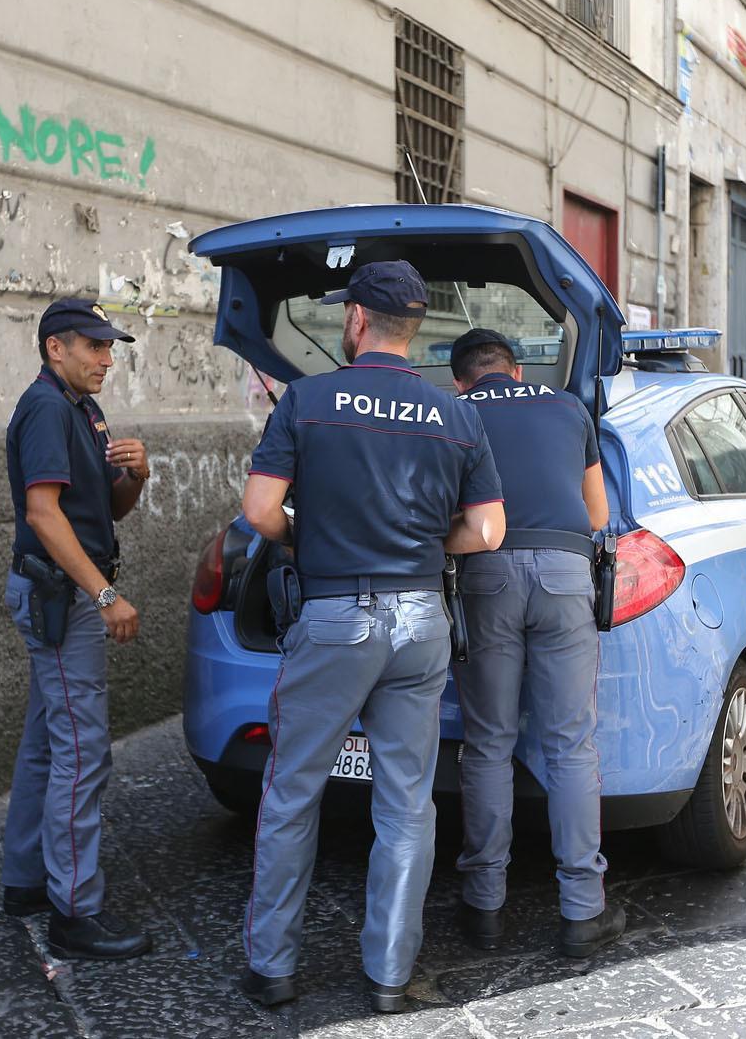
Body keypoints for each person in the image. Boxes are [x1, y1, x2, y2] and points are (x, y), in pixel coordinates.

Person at [237, 260, 506, 1014]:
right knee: (406, 804)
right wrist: (421, 542)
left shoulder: (308, 401)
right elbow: (488, 529)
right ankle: (389, 975)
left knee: (293, 790)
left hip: (335, 618)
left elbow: (260, 511)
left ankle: (273, 968)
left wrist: (307, 536)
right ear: (413, 328)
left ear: (356, 321)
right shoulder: (457, 415)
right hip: (421, 618)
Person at [445, 328, 625, 961]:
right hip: (566, 573)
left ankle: (484, 905)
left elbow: (450, 515)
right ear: (517, 371)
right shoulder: (570, 407)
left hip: (487, 573)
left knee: (487, 743)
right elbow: (599, 516)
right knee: (571, 744)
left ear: (461, 379)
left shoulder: (457, 414)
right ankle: (582, 910)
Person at [0, 298, 153, 959]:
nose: (106, 359)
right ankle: (74, 912)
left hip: (65, 591)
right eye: (94, 346)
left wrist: (137, 476)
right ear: (54, 347)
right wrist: (105, 593)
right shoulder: (45, 408)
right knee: (82, 753)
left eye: (109, 346)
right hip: (63, 596)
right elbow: (42, 513)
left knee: (47, 743)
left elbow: (106, 507)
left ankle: (27, 881)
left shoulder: (83, 411)